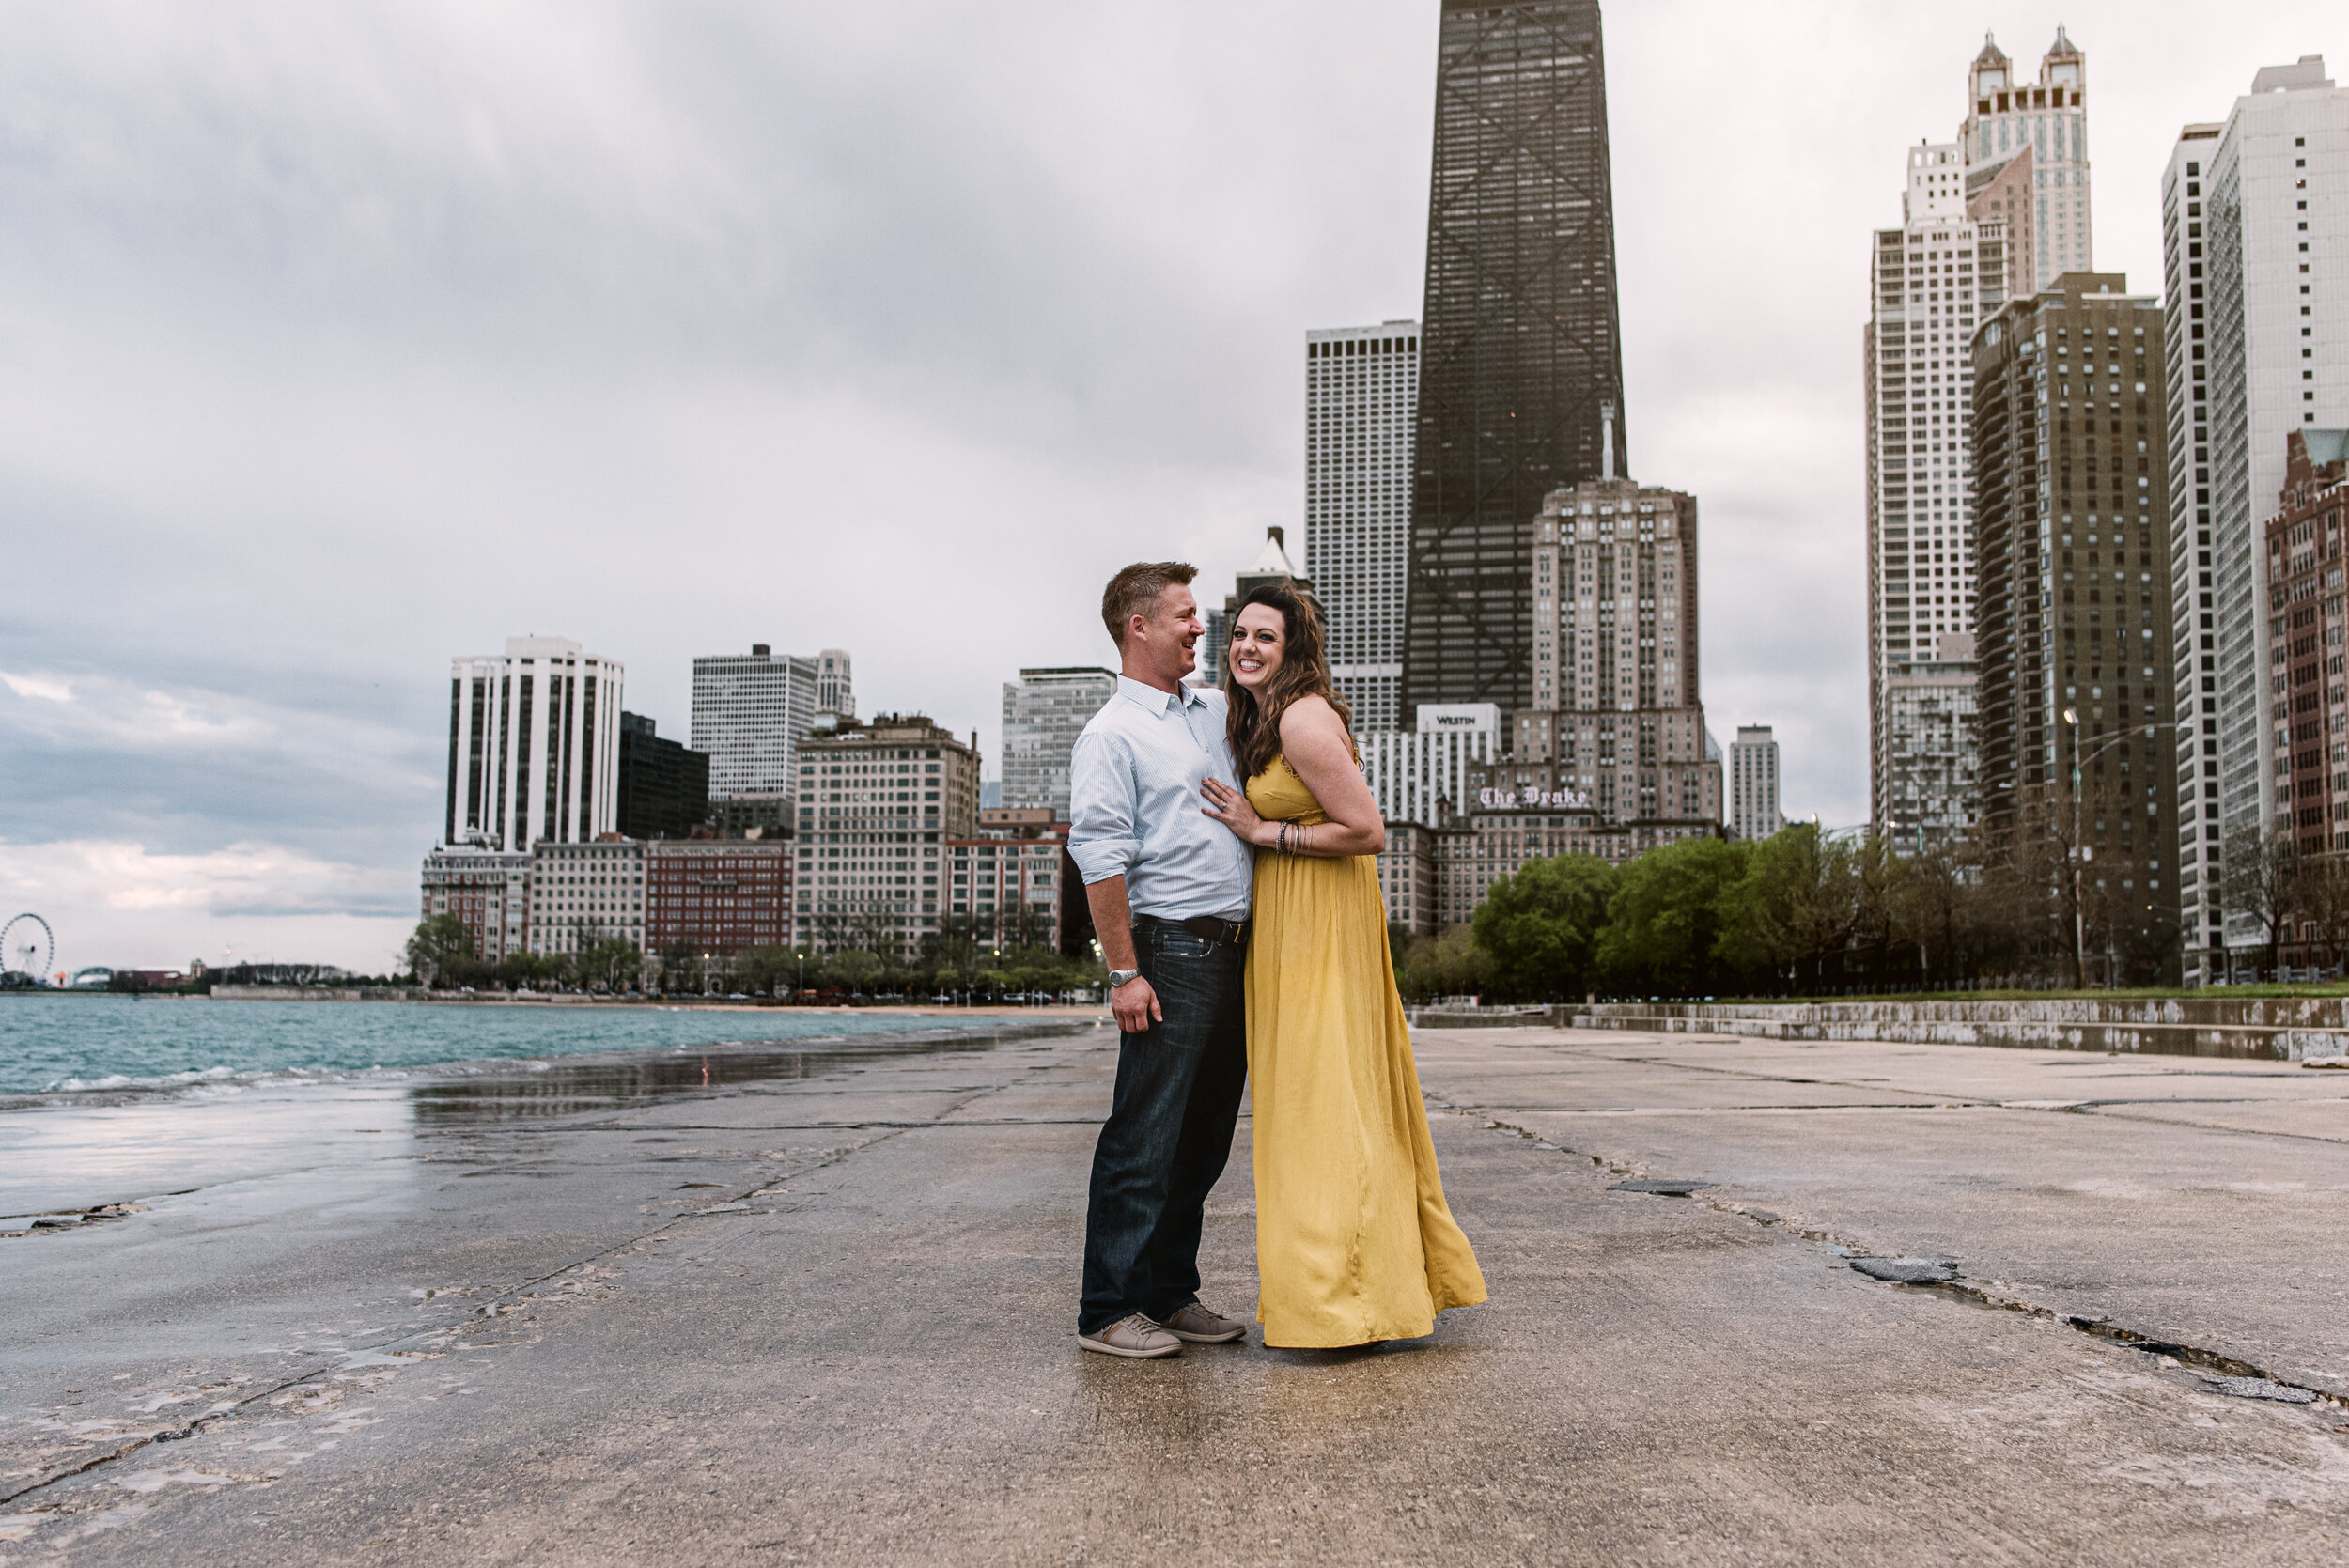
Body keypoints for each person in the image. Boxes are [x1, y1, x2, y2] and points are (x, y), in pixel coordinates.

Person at [1200, 582, 1486, 1348]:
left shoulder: (1301, 717)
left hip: (1323, 922)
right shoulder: (1260, 718)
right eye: (1240, 635)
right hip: (1294, 923)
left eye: (1266, 637)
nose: (1248, 648)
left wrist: (1266, 833)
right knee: (1313, 1102)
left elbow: (1368, 830)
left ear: (1293, 649)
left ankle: (1344, 1302)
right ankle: (1353, 1293)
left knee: (1324, 1103)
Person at [1066, 561, 1257, 1359]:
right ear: (1137, 626)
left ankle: (1169, 1292)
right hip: (1171, 949)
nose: (1199, 628)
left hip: (1238, 950)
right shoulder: (1111, 734)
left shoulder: (1210, 709)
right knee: (1144, 1135)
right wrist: (1124, 971)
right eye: (1184, 616)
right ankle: (1108, 1308)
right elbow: (1098, 855)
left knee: (1204, 1137)